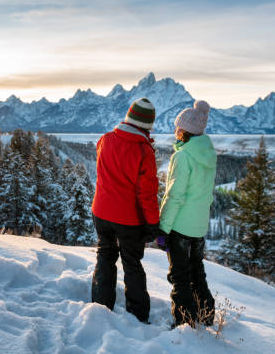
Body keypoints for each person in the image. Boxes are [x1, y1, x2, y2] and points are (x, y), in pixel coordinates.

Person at [91, 97, 160, 323]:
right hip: (128, 219)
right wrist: (152, 224)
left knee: (105, 257)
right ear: (147, 125)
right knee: (132, 264)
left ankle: (100, 307)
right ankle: (138, 316)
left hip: (101, 212)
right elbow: (147, 194)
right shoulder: (143, 151)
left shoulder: (105, 139)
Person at [158, 100, 217, 328]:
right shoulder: (208, 154)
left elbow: (175, 196)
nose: (175, 131)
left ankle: (186, 322)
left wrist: (163, 227)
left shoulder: (182, 157)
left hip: (180, 226)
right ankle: (206, 315)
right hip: (199, 226)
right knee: (197, 272)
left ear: (185, 131)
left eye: (177, 128)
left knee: (180, 276)